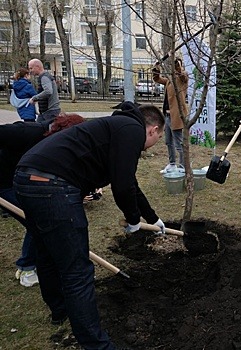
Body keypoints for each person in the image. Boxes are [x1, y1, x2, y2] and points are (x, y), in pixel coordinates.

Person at [13, 102, 166, 349]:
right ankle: (96, 344)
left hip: (26, 178)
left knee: (48, 253)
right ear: (153, 129)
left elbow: (130, 183)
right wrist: (134, 220)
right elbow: (122, 183)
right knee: (77, 270)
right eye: (156, 140)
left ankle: (60, 310)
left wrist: (152, 217)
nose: (149, 147)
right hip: (53, 187)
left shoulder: (116, 127)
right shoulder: (132, 129)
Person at [0, 114, 85, 287]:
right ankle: (27, 268)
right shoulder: (27, 131)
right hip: (5, 183)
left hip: (26, 183)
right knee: (37, 221)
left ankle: (38, 262)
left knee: (41, 221)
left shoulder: (55, 143)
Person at [153, 57, 189, 174]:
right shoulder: (169, 80)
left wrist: (178, 65)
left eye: (175, 66)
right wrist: (157, 67)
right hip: (167, 116)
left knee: (179, 144)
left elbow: (183, 75)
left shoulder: (182, 79)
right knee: (168, 142)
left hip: (177, 116)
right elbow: (157, 78)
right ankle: (172, 164)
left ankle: (183, 167)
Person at [27, 58, 61, 124]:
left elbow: (48, 91)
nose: (30, 71)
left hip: (50, 111)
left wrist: (34, 98)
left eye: (31, 68)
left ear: (37, 67)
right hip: (47, 111)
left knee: (42, 130)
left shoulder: (44, 77)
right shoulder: (44, 76)